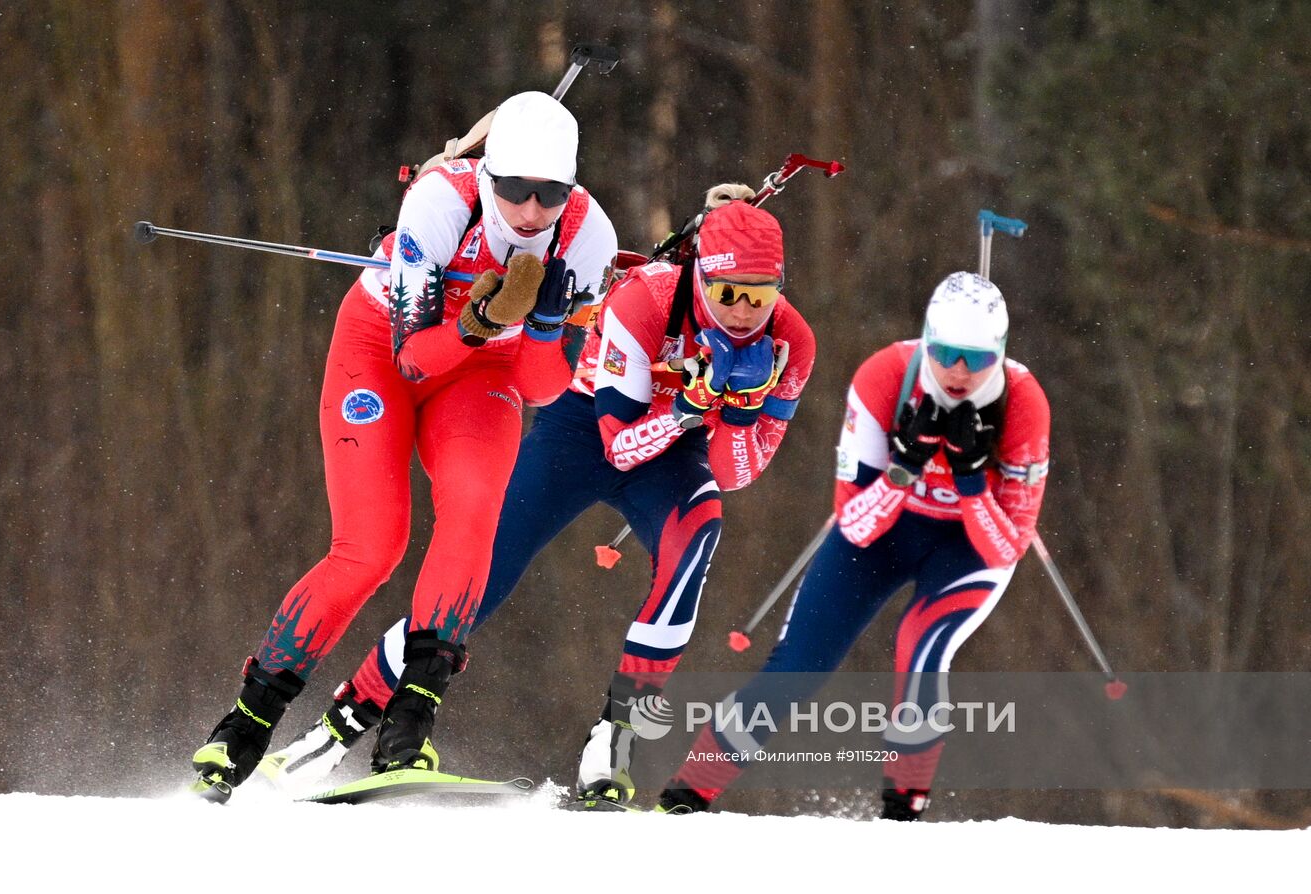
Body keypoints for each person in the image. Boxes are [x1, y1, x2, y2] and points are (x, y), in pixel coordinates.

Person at [259, 189, 817, 809]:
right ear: (700, 279)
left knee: (700, 532)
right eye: (726, 293)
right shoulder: (648, 298)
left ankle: (615, 740)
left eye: (760, 296)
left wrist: (739, 413)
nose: (743, 312)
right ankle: (340, 728)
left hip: (674, 459)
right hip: (585, 434)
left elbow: (736, 473)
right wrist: (687, 408)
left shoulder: (792, 340)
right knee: (478, 575)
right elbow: (619, 444)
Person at [189, 91, 618, 802]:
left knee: (476, 510)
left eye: (552, 193)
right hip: (382, 354)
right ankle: (241, 731)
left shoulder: (588, 235)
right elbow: (415, 355)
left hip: (482, 377)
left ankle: (406, 732)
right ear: (489, 174)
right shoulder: (439, 203)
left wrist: (542, 327)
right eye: (515, 189)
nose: (532, 212)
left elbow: (542, 389)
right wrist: (480, 318)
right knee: (371, 545)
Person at [653, 271, 1051, 819]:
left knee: (923, 646)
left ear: (1000, 355)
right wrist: (904, 469)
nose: (959, 371)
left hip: (965, 548)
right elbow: (856, 523)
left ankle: (902, 814)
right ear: (926, 340)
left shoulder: (1024, 403)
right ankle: (684, 799)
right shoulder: (885, 376)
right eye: (945, 352)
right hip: (883, 533)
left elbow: (1006, 547)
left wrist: (970, 480)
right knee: (798, 666)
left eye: (977, 359)